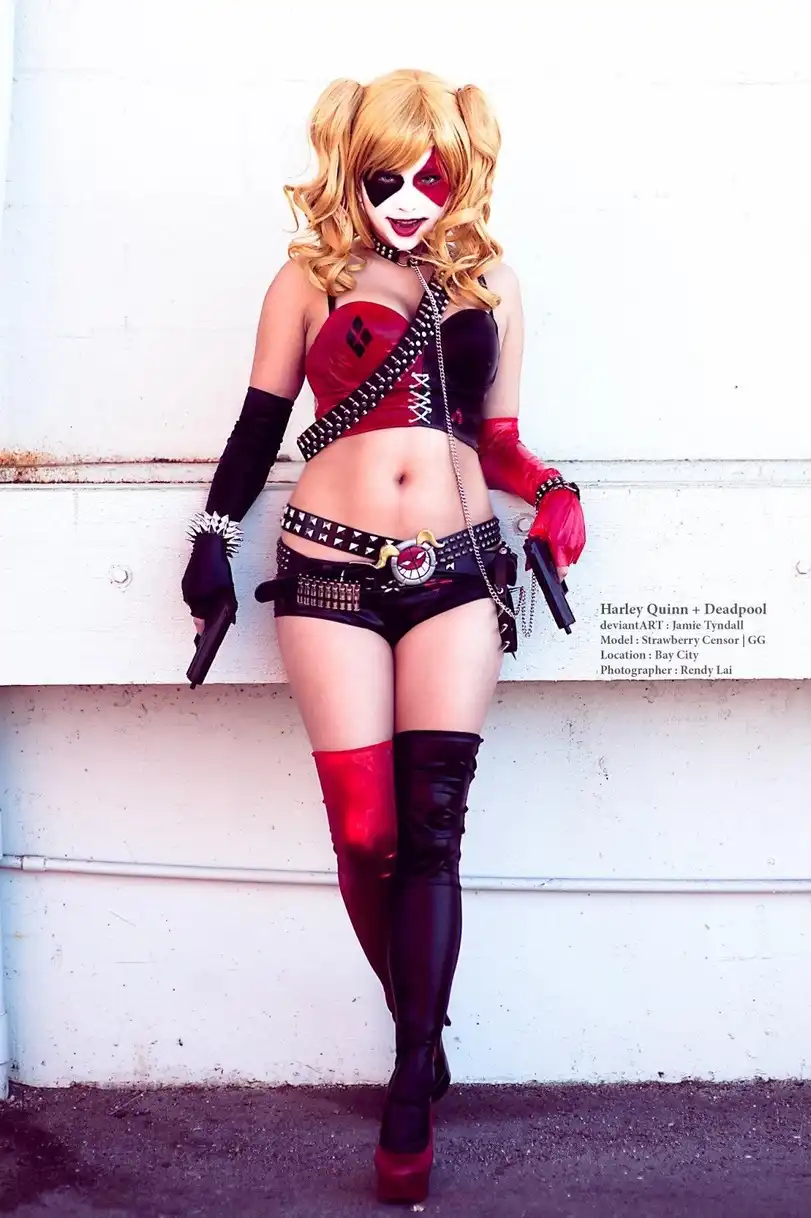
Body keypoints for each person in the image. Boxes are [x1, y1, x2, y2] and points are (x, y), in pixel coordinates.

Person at [181, 67, 586, 1204]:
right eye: (383, 179)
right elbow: (257, 429)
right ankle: (425, 1022)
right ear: (348, 174)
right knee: (366, 835)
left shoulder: (490, 281)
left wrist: (552, 492)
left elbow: (499, 442)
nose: (407, 200)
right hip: (327, 568)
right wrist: (212, 539)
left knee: (434, 831)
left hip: (457, 570)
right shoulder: (305, 279)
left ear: (462, 176)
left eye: (430, 179)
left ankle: (412, 1078)